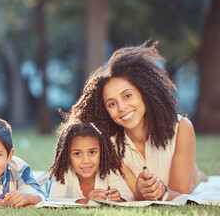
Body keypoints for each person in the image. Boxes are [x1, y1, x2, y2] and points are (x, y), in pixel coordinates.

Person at [69, 41, 205, 201]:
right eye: (111, 104)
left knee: (201, 178)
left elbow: (182, 195)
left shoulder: (181, 128)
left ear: (144, 92)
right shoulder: (109, 144)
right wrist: (143, 192)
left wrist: (161, 192)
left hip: (193, 182)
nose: (121, 107)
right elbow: (138, 195)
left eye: (127, 95)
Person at [48, 119, 134, 203]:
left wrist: (119, 198)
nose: (86, 161)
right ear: (67, 156)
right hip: (47, 187)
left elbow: (130, 197)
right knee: (44, 183)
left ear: (102, 152)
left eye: (92, 152)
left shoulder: (107, 171)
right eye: (77, 154)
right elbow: (53, 200)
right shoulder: (63, 173)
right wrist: (85, 201)